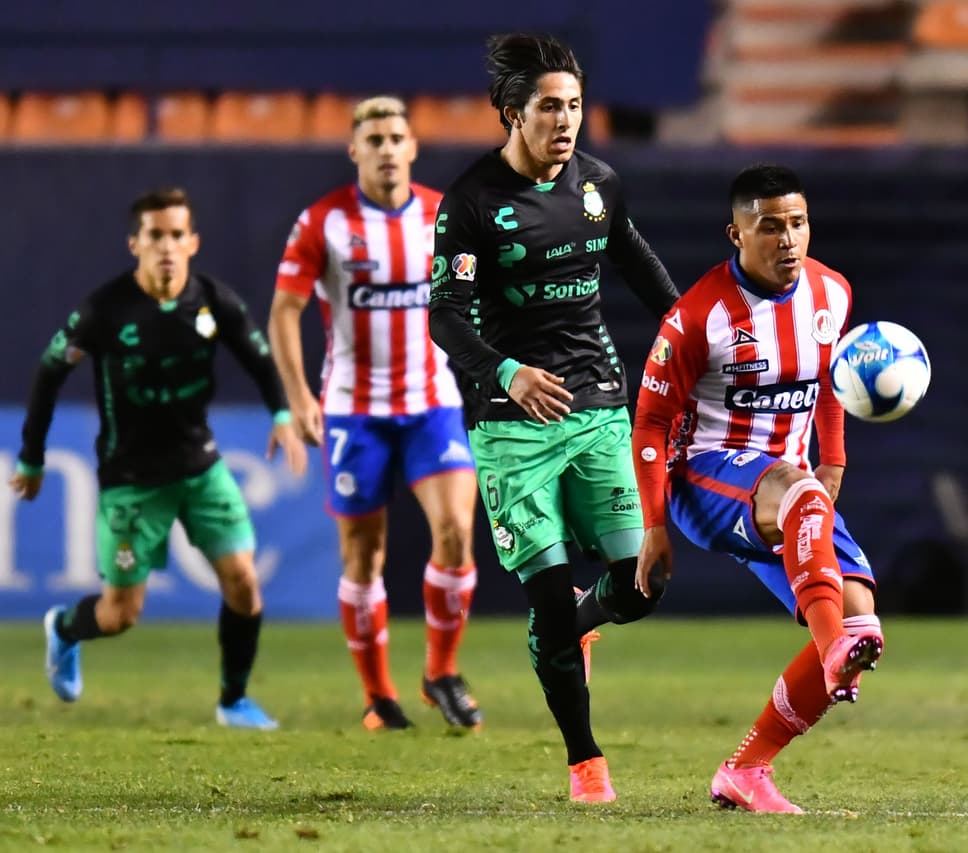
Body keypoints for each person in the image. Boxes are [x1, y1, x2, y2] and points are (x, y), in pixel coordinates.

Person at [428, 34, 680, 802]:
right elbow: (445, 315)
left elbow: (638, 266)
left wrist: (684, 340)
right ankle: (585, 761)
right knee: (544, 592)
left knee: (643, 582)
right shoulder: (471, 202)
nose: (565, 120)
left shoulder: (599, 185)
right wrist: (508, 370)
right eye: (549, 107)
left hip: (600, 405)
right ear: (511, 113)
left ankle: (570, 623)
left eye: (573, 105)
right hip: (510, 421)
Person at [631, 164, 884, 814]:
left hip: (793, 489)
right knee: (840, 632)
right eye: (769, 226)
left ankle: (746, 768)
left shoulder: (832, 293)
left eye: (797, 223)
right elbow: (652, 423)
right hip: (706, 483)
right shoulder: (696, 317)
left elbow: (830, 380)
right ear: (736, 233)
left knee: (859, 612)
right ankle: (833, 651)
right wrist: (655, 525)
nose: (787, 239)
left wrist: (835, 460)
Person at [12, 187, 306, 729]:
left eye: (176, 235)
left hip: (201, 467)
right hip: (131, 479)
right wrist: (31, 457)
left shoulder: (214, 301)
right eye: (155, 236)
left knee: (243, 580)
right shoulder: (104, 311)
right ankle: (66, 628)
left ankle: (233, 699)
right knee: (120, 615)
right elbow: (50, 371)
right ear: (135, 244)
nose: (166, 247)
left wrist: (282, 417)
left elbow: (260, 358)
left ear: (192, 242)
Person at [268, 96, 483, 732]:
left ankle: (441, 672)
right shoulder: (323, 222)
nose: (386, 148)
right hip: (353, 412)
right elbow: (285, 310)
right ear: (355, 150)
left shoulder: (444, 215)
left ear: (412, 148)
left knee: (457, 535)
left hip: (431, 404)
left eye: (396, 137)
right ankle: (378, 696)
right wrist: (298, 395)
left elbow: (481, 296)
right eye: (375, 138)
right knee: (363, 559)